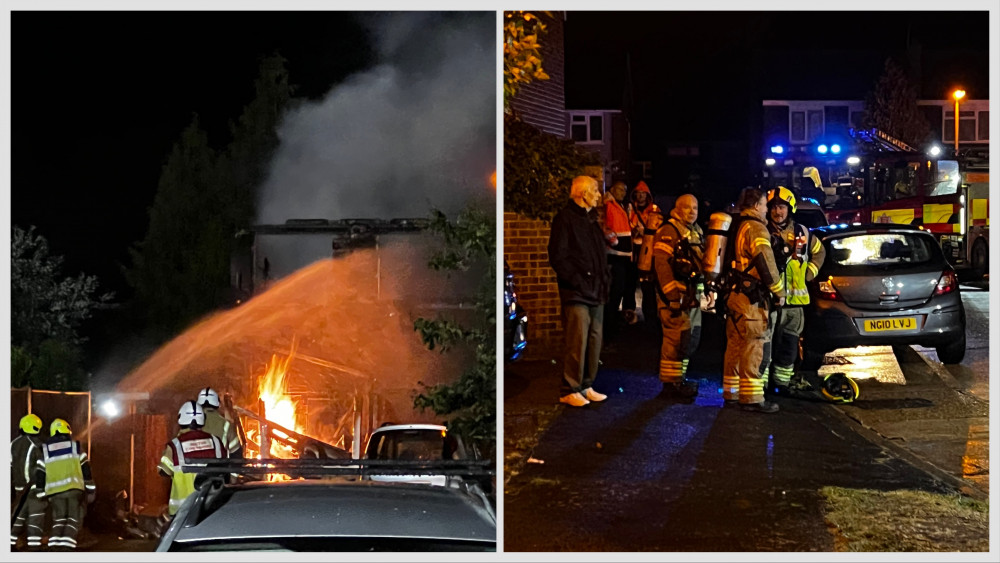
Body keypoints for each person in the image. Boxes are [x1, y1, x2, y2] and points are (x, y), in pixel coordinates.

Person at [720, 188, 785, 413]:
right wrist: (779, 291)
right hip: (751, 300)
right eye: (766, 204)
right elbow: (765, 263)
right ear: (757, 205)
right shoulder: (756, 228)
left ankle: (732, 392)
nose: (767, 208)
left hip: (735, 295)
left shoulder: (738, 224)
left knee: (735, 344)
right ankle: (752, 399)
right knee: (754, 345)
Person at [548, 175, 610, 407]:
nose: (598, 195)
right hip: (577, 291)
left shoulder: (591, 220)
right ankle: (570, 387)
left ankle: (586, 384)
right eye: (595, 190)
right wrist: (577, 281)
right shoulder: (565, 219)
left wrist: (604, 280)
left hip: (595, 290)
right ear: (583, 193)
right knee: (577, 340)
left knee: (594, 339)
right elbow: (558, 256)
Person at [765, 186, 826, 394]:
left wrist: (809, 273)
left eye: (781, 207)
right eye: (773, 207)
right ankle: (761, 385)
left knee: (789, 346)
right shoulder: (762, 231)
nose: (777, 212)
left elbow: (820, 252)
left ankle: (782, 383)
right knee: (766, 346)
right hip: (769, 302)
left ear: (789, 209)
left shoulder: (802, 233)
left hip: (795, 306)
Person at [652, 194, 706, 400]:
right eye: (687, 208)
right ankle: (669, 385)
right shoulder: (669, 231)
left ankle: (678, 379)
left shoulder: (695, 231)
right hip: (675, 299)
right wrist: (671, 296)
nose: (692, 211)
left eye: (695, 208)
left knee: (687, 339)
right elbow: (661, 265)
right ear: (677, 209)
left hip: (691, 297)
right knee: (675, 340)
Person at [34, 418, 95, 551]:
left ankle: (54, 546)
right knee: (73, 519)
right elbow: (86, 470)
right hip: (74, 490)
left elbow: (40, 473)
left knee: (59, 520)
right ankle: (65, 549)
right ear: (67, 431)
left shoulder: (44, 451)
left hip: (54, 493)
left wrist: (40, 492)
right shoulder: (76, 447)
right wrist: (91, 490)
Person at [158, 401, 228, 517]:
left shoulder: (175, 445)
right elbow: (225, 469)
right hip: (212, 509)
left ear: (181, 419)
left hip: (182, 512)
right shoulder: (216, 442)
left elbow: (163, 471)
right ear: (202, 420)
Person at [628, 181, 662, 328]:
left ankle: (651, 318)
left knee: (647, 286)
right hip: (632, 250)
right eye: (638, 193)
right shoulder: (630, 209)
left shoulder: (654, 210)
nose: (640, 196)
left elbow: (659, 227)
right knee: (628, 285)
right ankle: (629, 316)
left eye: (643, 193)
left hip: (648, 250)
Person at [11, 414, 47, 550]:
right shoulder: (38, 445)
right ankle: (34, 549)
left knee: (18, 518)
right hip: (34, 490)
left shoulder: (13, 444)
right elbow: (43, 469)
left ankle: (9, 545)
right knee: (35, 520)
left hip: (19, 489)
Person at [603, 181, 634, 336]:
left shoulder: (620, 205)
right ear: (613, 189)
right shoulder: (609, 205)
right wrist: (613, 241)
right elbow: (605, 227)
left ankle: (613, 323)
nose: (623, 192)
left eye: (624, 190)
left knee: (620, 290)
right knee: (615, 292)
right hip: (615, 255)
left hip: (623, 255)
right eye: (620, 189)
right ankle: (610, 327)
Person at [196, 387, 243, 458]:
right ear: (218, 405)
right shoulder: (226, 424)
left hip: (196, 468)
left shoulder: (191, 424)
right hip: (220, 467)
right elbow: (236, 453)